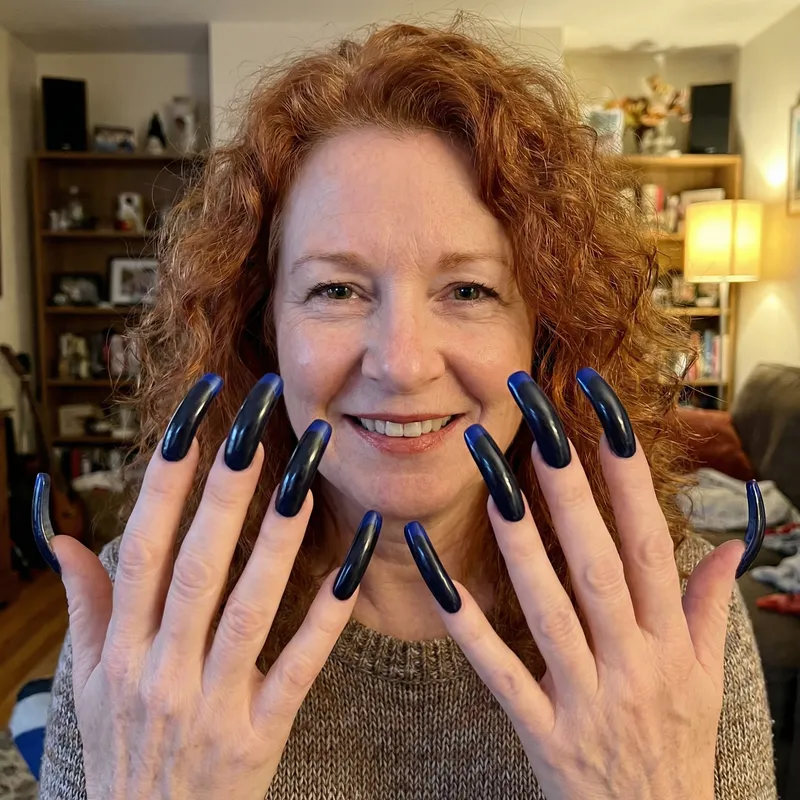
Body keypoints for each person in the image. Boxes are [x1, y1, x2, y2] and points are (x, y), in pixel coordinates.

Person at [33, 21, 774, 800]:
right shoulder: (142, 626)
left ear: (545, 332)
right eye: (336, 289)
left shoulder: (673, 621)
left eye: (469, 290)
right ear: (263, 326)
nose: (402, 362)